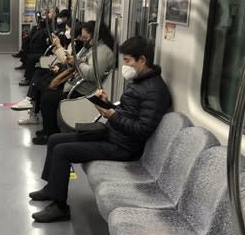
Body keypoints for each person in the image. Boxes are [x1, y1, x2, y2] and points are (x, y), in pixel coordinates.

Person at [30, 36, 171, 222]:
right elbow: (128, 112)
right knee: (56, 139)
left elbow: (142, 129)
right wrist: (108, 104)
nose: (125, 65)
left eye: (128, 60)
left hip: (123, 147)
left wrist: (112, 115)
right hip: (114, 135)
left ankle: (60, 207)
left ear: (142, 60)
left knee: (63, 152)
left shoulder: (154, 91)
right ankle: (51, 188)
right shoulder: (140, 82)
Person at [33, 20, 116, 144]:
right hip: (76, 84)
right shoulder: (90, 48)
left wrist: (77, 63)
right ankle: (48, 130)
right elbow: (79, 62)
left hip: (85, 91)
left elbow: (92, 75)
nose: (83, 41)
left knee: (48, 100)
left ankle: (50, 134)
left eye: (85, 38)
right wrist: (72, 61)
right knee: (46, 92)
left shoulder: (102, 52)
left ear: (95, 36)